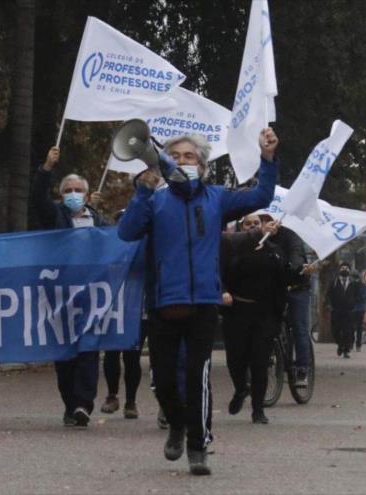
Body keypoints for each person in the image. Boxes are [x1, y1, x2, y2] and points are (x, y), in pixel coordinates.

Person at [117, 128, 279, 475]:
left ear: (202, 166)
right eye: (174, 156)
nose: (181, 161)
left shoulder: (217, 198)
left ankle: (198, 445)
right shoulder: (156, 200)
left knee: (197, 375)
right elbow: (127, 232)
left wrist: (267, 159)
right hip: (163, 302)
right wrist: (142, 191)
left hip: (204, 302)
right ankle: (176, 423)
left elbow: (262, 194)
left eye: (189, 156)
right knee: (163, 380)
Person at [32, 146, 108, 427]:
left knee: (88, 349)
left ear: (88, 196)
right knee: (64, 352)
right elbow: (37, 199)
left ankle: (83, 405)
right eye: (68, 190)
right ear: (61, 195)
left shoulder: (98, 220)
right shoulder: (55, 216)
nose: (73, 194)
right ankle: (70, 403)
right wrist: (46, 169)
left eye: (78, 190)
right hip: (60, 294)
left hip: (90, 294)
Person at [221, 214, 287, 425]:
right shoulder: (232, 248)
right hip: (237, 311)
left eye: (256, 224)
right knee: (235, 359)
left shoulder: (274, 251)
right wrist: (223, 292)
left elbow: (283, 278)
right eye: (248, 224)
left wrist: (300, 273)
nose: (252, 227)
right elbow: (220, 271)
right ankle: (241, 388)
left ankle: (258, 409)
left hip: (264, 314)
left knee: (260, 362)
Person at [273, 227, 317, 385]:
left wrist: (296, 266)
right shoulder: (259, 237)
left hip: (297, 287)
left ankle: (302, 369)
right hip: (275, 288)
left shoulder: (290, 235)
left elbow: (296, 253)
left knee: (299, 326)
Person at [327, 261, 357, 358]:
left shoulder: (353, 283)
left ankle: (346, 350)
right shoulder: (334, 282)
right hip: (336, 310)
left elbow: (358, 295)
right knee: (336, 330)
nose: (344, 270)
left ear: (349, 270)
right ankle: (340, 344)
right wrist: (329, 305)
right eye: (342, 268)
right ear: (339, 270)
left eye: (346, 269)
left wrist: (355, 306)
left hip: (349, 311)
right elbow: (328, 295)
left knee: (348, 331)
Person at [351, 273, 366, 351]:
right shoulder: (363, 286)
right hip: (360, 309)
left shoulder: (350, 285)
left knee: (351, 327)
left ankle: (351, 344)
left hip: (353, 309)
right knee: (359, 328)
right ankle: (358, 345)